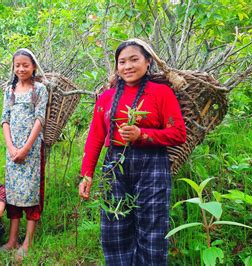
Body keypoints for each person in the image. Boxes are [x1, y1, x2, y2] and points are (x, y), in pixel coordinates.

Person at [78, 39, 187, 265]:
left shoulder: (162, 93)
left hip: (152, 164)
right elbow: (96, 137)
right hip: (114, 164)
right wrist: (87, 173)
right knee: (114, 227)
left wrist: (143, 135)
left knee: (152, 227)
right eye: (122, 62)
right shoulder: (106, 97)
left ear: (148, 62)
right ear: (117, 67)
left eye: (134, 59)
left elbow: (178, 134)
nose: (128, 66)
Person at [0, 48, 48, 258]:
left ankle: (27, 242)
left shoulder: (39, 90)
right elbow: (5, 119)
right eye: (17, 65)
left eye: (25, 65)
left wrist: (26, 148)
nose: (21, 68)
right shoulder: (9, 90)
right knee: (13, 194)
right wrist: (11, 147)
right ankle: (12, 240)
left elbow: (39, 119)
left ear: (33, 67)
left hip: (32, 150)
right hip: (12, 151)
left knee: (31, 193)